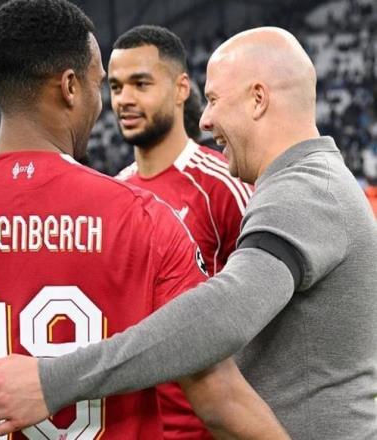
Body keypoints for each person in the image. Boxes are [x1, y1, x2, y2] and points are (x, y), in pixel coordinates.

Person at [0, 2, 288, 439]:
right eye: (100, 84)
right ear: (71, 87)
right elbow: (216, 394)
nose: (106, 103)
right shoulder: (144, 219)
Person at [0, 26, 377, 439]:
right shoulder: (305, 184)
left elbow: (223, 315)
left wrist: (51, 382)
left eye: (214, 100)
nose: (205, 119)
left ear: (257, 99)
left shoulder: (305, 191)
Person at [110, 25, 252, 439]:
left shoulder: (223, 185)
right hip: (135, 426)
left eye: (141, 84)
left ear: (181, 89)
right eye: (116, 87)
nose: (124, 99)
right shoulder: (114, 195)